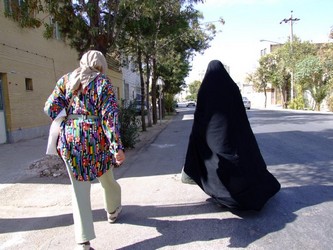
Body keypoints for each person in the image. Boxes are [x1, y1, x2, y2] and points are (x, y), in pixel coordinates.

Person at [44, 50, 125, 250]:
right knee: (107, 179)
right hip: (96, 140)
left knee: (79, 189)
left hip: (70, 140)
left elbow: (50, 107)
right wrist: (117, 147)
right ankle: (112, 210)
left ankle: (83, 241)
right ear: (101, 65)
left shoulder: (65, 80)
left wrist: (69, 120)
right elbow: (110, 118)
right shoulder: (102, 83)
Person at [181, 60, 280, 211]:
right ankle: (247, 193)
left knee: (216, 163)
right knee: (242, 159)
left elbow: (200, 115)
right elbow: (239, 112)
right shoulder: (231, 87)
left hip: (213, 136)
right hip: (234, 133)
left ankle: (223, 196)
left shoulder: (205, 89)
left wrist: (198, 136)